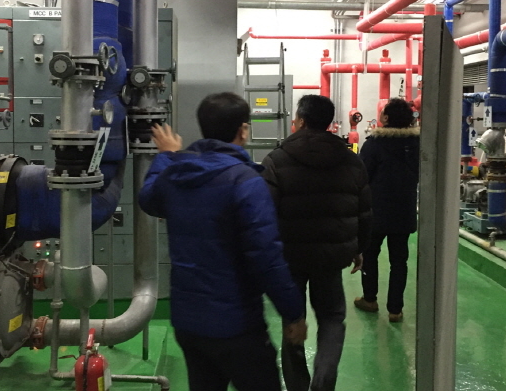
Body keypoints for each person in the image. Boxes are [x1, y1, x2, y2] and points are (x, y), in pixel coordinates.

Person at [138, 92, 307, 391]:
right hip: (237, 326)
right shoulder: (245, 181)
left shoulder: (177, 175)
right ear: (243, 130)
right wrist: (293, 313)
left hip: (189, 324)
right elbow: (266, 257)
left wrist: (167, 155)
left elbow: (148, 198)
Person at [261, 94, 371, 391]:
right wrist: (359, 249)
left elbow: (266, 213)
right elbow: (364, 211)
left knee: (292, 318)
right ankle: (323, 383)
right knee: (332, 318)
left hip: (289, 257)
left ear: (301, 121)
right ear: (329, 123)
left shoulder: (277, 159)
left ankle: (297, 385)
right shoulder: (351, 160)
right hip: (331, 258)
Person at [354, 98, 420, 323]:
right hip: (404, 211)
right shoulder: (417, 144)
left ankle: (370, 299)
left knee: (369, 256)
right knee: (399, 261)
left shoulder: (374, 144)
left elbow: (362, 176)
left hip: (376, 212)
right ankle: (395, 309)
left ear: (387, 118)